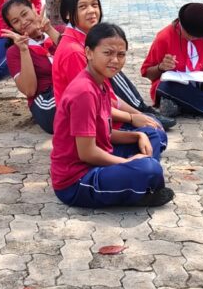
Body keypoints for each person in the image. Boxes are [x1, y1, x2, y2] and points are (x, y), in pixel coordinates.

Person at [50, 23, 174, 208]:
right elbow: (87, 153)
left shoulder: (100, 82)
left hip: (100, 155)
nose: (115, 60)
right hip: (77, 180)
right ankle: (140, 182)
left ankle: (140, 181)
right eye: (107, 53)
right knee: (149, 168)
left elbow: (104, 133)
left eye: (121, 54)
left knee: (152, 134)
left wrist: (137, 135)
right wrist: (127, 162)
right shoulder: (84, 92)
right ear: (89, 53)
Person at [53, 0, 174, 131]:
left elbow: (109, 96)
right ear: (67, 14)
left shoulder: (85, 40)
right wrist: (132, 118)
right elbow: (93, 102)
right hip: (86, 127)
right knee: (153, 134)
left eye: (94, 5)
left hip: (101, 114)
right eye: (83, 7)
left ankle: (145, 112)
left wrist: (139, 116)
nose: (91, 11)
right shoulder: (74, 51)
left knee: (112, 61)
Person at [0, 0, 61, 133]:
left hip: (71, 88)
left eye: (24, 14)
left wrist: (49, 30)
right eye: (16, 21)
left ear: (34, 10)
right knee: (77, 99)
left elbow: (81, 60)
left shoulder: (59, 31)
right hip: (45, 100)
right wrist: (24, 50)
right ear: (13, 28)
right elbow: (29, 90)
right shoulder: (14, 52)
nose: (23, 22)